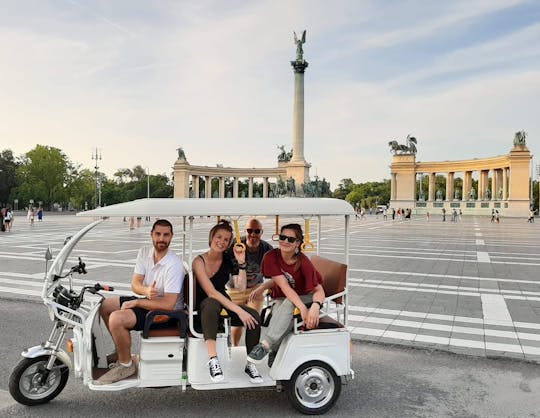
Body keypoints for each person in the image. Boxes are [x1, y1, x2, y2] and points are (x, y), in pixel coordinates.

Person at [97, 219, 184, 384]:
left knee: (117, 318)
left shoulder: (174, 264)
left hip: (167, 313)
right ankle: (120, 350)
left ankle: (126, 365)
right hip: (149, 300)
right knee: (106, 305)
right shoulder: (144, 252)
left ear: (172, 237)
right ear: (151, 234)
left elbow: (168, 304)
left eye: (166, 235)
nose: (161, 239)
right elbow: (135, 284)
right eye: (158, 234)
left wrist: (137, 302)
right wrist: (145, 291)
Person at [192, 220, 262, 384]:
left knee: (253, 317)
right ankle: (213, 360)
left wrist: (241, 263)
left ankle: (251, 363)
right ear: (211, 237)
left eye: (226, 239)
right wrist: (239, 311)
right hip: (203, 306)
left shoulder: (228, 259)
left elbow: (240, 287)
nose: (221, 242)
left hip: (223, 302)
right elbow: (210, 292)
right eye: (219, 237)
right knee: (211, 303)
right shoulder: (198, 261)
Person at [247, 223, 325, 368]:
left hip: (307, 297)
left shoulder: (304, 262)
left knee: (289, 303)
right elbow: (282, 283)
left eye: (290, 239)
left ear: (298, 243)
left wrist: (314, 307)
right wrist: (264, 286)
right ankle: (275, 351)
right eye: (282, 237)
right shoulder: (271, 256)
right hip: (284, 297)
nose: (285, 241)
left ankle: (265, 345)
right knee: (278, 310)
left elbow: (319, 290)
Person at [227, 218, 273, 347]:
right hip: (235, 289)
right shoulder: (235, 245)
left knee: (252, 320)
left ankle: (251, 353)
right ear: (245, 231)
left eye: (256, 231)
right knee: (237, 322)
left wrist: (265, 287)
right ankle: (235, 347)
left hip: (256, 289)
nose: (253, 234)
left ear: (261, 232)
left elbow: (274, 273)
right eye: (249, 230)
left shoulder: (267, 249)